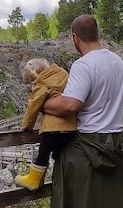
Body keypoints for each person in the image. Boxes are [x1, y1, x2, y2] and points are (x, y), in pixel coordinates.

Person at [41, 14, 123, 208]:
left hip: (84, 146)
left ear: (75, 38)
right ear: (97, 33)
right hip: (113, 144)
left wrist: (43, 104)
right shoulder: (117, 62)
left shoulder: (83, 65)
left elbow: (71, 104)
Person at [14, 57, 77, 190]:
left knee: (43, 153)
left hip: (53, 128)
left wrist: (27, 125)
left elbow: (34, 107)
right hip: (72, 127)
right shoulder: (63, 77)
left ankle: (34, 180)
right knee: (59, 154)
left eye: (30, 82)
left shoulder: (42, 84)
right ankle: (63, 178)